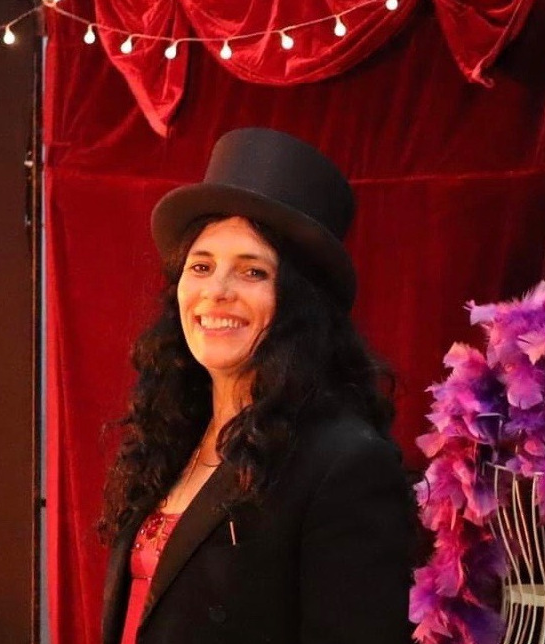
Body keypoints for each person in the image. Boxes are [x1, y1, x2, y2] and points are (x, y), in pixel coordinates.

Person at [99, 127, 412, 644]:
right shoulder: (174, 435)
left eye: (252, 272)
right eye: (201, 266)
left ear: (299, 302)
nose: (217, 291)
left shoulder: (345, 462)